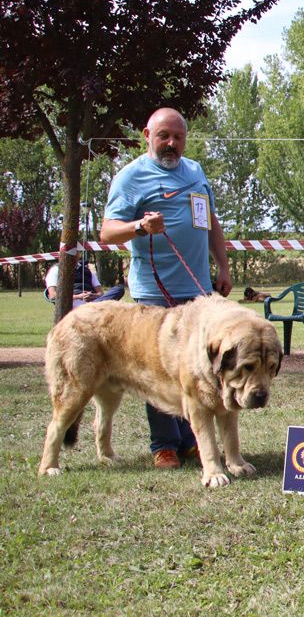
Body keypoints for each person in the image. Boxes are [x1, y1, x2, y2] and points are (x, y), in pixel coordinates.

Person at [99, 107, 232, 470]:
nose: (171, 143)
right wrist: (140, 227)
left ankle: (191, 440)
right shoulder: (130, 177)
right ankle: (163, 445)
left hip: (198, 290)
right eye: (164, 136)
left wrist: (222, 266)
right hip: (153, 293)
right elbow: (108, 231)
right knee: (158, 369)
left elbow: (211, 223)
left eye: (178, 136)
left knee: (198, 368)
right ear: (147, 136)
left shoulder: (195, 172)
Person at [45, 260, 124, 307]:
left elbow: (100, 293)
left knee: (119, 289)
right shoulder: (56, 270)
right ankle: (92, 309)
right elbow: (53, 295)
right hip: (72, 305)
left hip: (93, 303)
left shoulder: (86, 270)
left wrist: (93, 295)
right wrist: (78, 296)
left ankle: (93, 308)